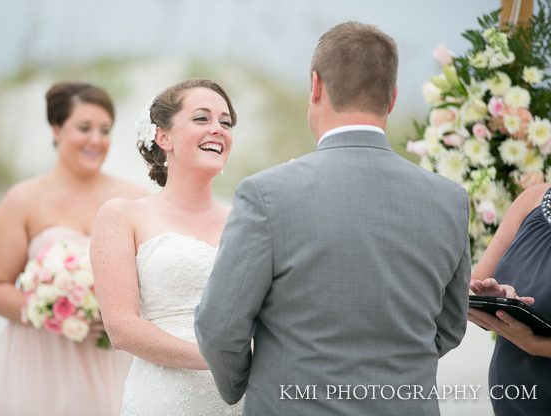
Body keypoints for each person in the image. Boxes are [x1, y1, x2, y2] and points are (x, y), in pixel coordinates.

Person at [194, 21, 471, 416]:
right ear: (391, 99)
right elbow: (448, 327)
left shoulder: (267, 195)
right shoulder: (450, 200)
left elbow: (219, 328)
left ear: (316, 87)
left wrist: (248, 382)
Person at [0, 81, 148, 416]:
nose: (96, 140)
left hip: (114, 359)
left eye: (105, 130)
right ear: (56, 128)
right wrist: (56, 313)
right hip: (45, 358)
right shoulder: (23, 201)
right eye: (84, 128)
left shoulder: (135, 199)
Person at [90, 78, 243, 415]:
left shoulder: (246, 220)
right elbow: (122, 329)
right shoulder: (123, 215)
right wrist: (217, 360)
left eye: (226, 122)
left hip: (240, 400)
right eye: (202, 118)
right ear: (163, 136)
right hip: (163, 398)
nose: (217, 129)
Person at [469, 182, 551, 415]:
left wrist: (536, 346)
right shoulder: (533, 198)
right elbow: (470, 290)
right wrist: (494, 297)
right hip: (515, 395)